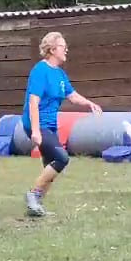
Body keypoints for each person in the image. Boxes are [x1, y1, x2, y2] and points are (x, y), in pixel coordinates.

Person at [21, 31, 102, 217]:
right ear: (52, 49)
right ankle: (33, 195)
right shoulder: (40, 71)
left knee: (51, 165)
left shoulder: (60, 74)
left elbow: (71, 95)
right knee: (61, 158)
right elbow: (33, 102)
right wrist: (35, 131)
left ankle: (36, 207)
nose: (66, 50)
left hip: (50, 124)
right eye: (62, 46)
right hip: (36, 123)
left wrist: (89, 103)